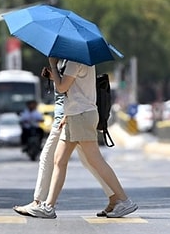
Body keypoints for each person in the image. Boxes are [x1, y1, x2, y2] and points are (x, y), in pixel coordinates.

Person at [25, 57, 137, 219]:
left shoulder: (74, 62)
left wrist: (53, 67)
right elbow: (74, 88)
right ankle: (48, 206)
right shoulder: (83, 61)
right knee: (59, 160)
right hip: (74, 115)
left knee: (95, 160)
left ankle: (124, 200)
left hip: (81, 115)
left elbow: (63, 88)